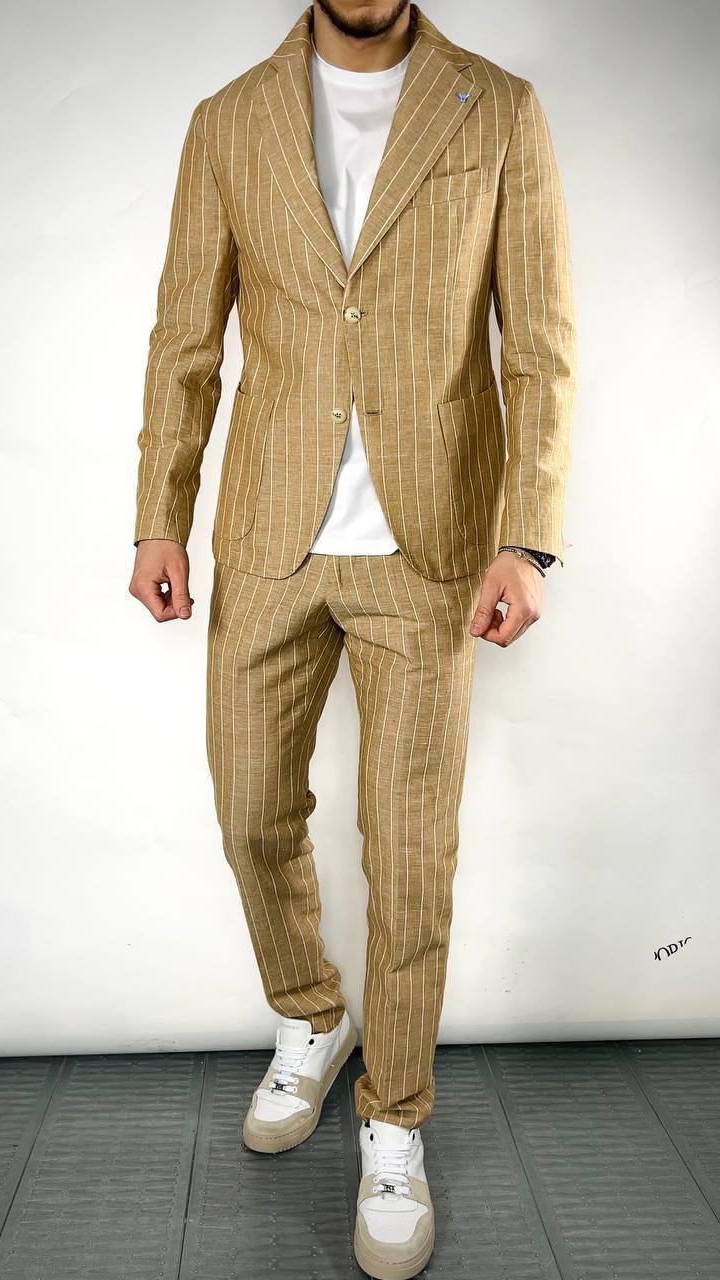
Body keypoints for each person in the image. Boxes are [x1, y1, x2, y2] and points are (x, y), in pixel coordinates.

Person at [128, 3, 576, 1275]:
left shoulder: (497, 109)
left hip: (432, 546)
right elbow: (184, 340)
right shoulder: (228, 121)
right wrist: (159, 515)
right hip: (269, 533)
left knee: (411, 852)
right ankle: (310, 1015)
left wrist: (527, 538)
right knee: (249, 811)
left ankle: (396, 1119)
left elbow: (538, 349)